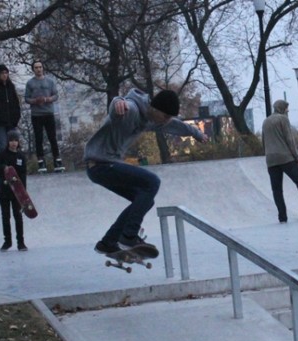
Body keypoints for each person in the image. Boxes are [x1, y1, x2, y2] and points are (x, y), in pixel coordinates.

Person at [84, 88, 208, 255]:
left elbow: (175, 124)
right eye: (165, 117)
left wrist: (196, 133)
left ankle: (108, 242)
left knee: (144, 200)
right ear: (155, 108)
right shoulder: (133, 110)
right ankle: (129, 236)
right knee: (152, 182)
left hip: (102, 167)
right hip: (101, 163)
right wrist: (118, 103)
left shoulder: (152, 119)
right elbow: (118, 109)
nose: (166, 122)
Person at [262, 100, 298, 223]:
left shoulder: (265, 121)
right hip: (285, 157)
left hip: (271, 159)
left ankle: (282, 216)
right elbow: (289, 139)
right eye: (287, 109)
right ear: (282, 108)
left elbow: (264, 142)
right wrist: (296, 157)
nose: (288, 111)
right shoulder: (283, 119)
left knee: (277, 189)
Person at [0, 130, 28, 252]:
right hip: (4, 191)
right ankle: (7, 241)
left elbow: (23, 175)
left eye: (15, 141)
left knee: (18, 216)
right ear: (8, 142)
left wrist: (23, 193)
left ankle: (21, 242)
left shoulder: (21, 157)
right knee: (5, 217)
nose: (13, 143)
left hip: (17, 192)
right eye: (11, 141)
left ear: (18, 142)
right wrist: (3, 167)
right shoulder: (2, 155)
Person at [24, 60, 63, 173]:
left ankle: (57, 159)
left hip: (48, 113)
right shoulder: (30, 83)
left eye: (40, 67)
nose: (39, 69)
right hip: (36, 114)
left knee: (52, 137)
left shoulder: (50, 81)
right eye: (36, 67)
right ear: (33, 69)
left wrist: (47, 99)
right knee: (38, 138)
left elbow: (56, 95)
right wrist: (35, 101)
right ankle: (41, 161)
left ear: (43, 68)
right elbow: (26, 98)